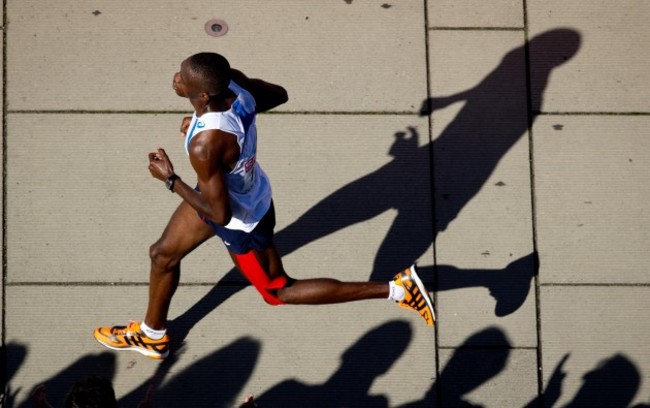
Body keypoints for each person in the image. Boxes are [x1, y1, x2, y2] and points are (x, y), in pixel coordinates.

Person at [93, 52, 434, 360]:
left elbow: (219, 214)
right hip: (226, 190)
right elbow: (279, 95)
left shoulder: (205, 146)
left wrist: (169, 179)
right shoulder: (235, 90)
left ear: (203, 95)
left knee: (278, 291)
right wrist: (210, 121)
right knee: (162, 255)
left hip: (241, 220)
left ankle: (397, 289)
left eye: (183, 78)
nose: (176, 78)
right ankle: (153, 335)